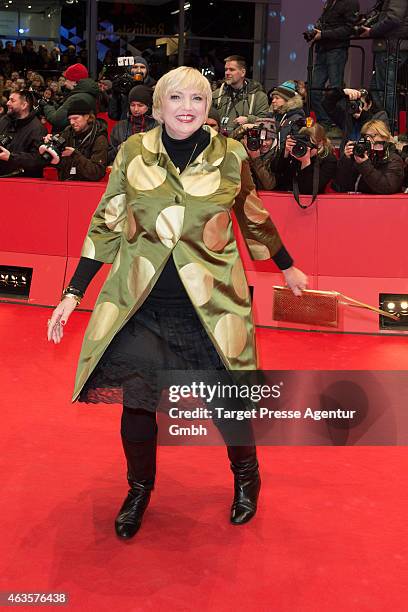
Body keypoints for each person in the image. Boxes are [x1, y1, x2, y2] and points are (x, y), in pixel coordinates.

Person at [46, 66, 307, 540]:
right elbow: (107, 221)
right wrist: (73, 292)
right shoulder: (131, 152)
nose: (188, 107)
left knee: (227, 403)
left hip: (210, 306)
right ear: (160, 104)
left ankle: (246, 476)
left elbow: (253, 215)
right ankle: (139, 488)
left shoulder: (230, 155)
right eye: (178, 98)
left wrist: (288, 267)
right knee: (138, 404)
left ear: (210, 108)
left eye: (199, 100)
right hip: (140, 304)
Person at [307, 0, 360, 130]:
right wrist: (316, 31)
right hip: (322, 49)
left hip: (336, 49)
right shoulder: (330, 2)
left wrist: (323, 34)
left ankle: (339, 123)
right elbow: (325, 22)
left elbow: (349, 29)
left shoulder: (350, 2)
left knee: (336, 89)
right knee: (314, 89)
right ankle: (326, 122)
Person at [360, 0, 408, 128]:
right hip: (390, 45)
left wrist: (371, 31)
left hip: (392, 45)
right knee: (378, 87)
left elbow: (394, 19)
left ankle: (390, 127)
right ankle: (387, 125)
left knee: (386, 89)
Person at [39, 99, 108, 182]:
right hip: (66, 184)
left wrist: (74, 155)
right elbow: (54, 159)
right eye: (69, 119)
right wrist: (50, 143)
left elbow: (97, 173)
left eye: (75, 118)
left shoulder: (99, 138)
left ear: (87, 117)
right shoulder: (68, 132)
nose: (72, 122)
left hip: (87, 188)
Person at [334, 118, 404, 193]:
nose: (368, 139)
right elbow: (341, 184)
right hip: (357, 202)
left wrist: (364, 164)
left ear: (384, 137)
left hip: (383, 203)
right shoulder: (361, 154)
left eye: (372, 136)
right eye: (365, 136)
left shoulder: (394, 159)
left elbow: (387, 187)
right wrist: (346, 159)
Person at [212, 55, 269, 135]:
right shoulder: (217, 94)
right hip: (219, 142)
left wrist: (248, 119)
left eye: (231, 70)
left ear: (243, 72)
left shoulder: (258, 96)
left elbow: (266, 122)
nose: (227, 73)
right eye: (226, 70)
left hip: (243, 144)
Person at [275, 122, 338, 194]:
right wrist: (285, 152)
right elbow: (277, 174)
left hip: (314, 201)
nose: (305, 147)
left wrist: (305, 163)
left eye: (309, 144)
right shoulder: (297, 150)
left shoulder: (329, 160)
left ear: (320, 144)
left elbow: (308, 190)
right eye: (302, 142)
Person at [322, 86, 389, 151]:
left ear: (369, 104)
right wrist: (343, 92)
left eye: (360, 103)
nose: (356, 106)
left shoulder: (380, 116)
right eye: (353, 103)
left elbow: (377, 136)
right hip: (347, 159)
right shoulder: (346, 117)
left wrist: (362, 115)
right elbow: (326, 103)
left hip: (369, 160)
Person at [0, 89, 46, 178]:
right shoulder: (4, 121)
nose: (7, 103)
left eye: (12, 100)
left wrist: (11, 157)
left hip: (22, 182)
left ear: (24, 105)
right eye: (9, 99)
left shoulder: (38, 129)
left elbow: (38, 160)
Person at [40, 63, 99, 131]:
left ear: (74, 81)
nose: (64, 83)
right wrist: (53, 104)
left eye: (66, 79)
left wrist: (46, 105)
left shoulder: (76, 97)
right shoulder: (87, 93)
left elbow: (56, 120)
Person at [108, 85, 156, 164]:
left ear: (149, 106)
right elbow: (107, 156)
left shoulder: (157, 127)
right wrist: (118, 149)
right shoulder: (119, 127)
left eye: (140, 105)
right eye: (132, 105)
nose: (136, 109)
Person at [232, 117, 279, 190]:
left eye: (267, 139)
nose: (263, 143)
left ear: (273, 140)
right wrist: (241, 129)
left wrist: (256, 159)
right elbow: (226, 144)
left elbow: (270, 185)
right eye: (260, 139)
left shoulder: (277, 155)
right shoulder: (247, 147)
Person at [108, 56, 156, 121]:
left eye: (142, 67)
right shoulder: (124, 86)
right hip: (126, 126)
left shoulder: (154, 87)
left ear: (147, 70)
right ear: (130, 69)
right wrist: (115, 95)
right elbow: (113, 115)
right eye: (135, 67)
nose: (139, 70)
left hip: (148, 127)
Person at [267, 81, 306, 151]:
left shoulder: (297, 120)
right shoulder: (274, 116)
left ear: (288, 100)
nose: (273, 101)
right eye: (273, 98)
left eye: (277, 98)